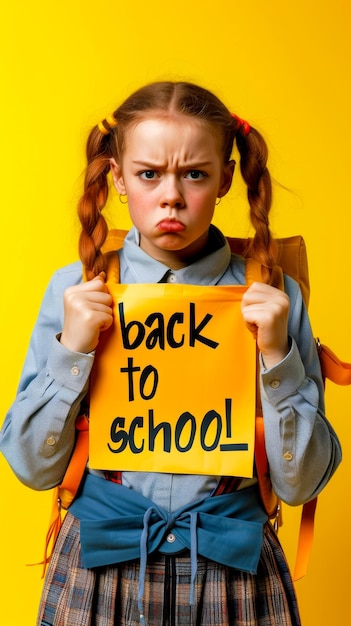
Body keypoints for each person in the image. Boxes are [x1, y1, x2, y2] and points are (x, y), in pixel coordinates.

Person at [0, 81, 341, 626]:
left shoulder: (273, 296)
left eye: (195, 174)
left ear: (226, 178)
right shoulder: (77, 290)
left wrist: (278, 356)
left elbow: (301, 485)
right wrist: (74, 349)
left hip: (236, 575)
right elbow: (31, 468)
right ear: (117, 178)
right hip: (98, 572)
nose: (172, 197)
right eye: (149, 173)